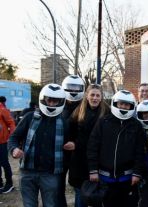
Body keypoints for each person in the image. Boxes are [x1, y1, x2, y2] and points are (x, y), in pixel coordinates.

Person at [8, 84, 73, 207]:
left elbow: (70, 143)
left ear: (61, 102)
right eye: (49, 100)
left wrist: (73, 144)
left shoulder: (64, 123)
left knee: (50, 205)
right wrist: (14, 149)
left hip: (51, 174)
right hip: (27, 172)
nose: (52, 104)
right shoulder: (29, 118)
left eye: (56, 101)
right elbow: (13, 138)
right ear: (43, 99)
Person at [87, 90, 145, 207]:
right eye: (121, 103)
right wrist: (93, 170)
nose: (123, 106)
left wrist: (137, 173)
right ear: (115, 103)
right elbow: (93, 147)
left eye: (127, 104)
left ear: (132, 106)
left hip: (128, 178)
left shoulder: (136, 125)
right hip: (106, 178)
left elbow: (140, 151)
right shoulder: (103, 122)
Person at [68, 84, 110, 207]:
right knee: (80, 195)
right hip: (79, 161)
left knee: (96, 195)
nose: (95, 98)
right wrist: (73, 143)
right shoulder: (78, 111)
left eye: (98, 95)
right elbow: (71, 132)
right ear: (87, 95)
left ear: (101, 97)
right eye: (92, 95)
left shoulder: (107, 112)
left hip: (99, 160)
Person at [60, 74, 85, 207]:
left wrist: (76, 143)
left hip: (78, 153)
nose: (74, 91)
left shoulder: (86, 106)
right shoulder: (58, 104)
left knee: (78, 187)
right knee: (58, 187)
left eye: (77, 88)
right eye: (71, 88)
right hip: (61, 153)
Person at [0, 96, 15, 193]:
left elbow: (11, 123)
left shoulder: (2, 110)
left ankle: (9, 184)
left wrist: (11, 138)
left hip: (2, 142)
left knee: (4, 163)